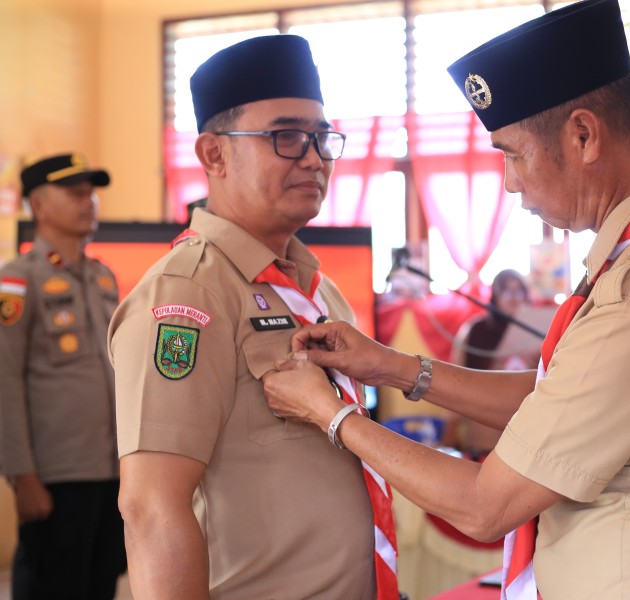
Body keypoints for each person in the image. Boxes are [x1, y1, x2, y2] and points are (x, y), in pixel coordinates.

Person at [262, 1, 630, 598]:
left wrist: (332, 415)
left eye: (512, 154)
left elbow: (485, 507)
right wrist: (390, 366)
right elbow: (559, 400)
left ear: (583, 135)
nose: (511, 182)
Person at [108, 35, 397, 599]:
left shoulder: (317, 288)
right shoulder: (187, 295)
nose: (313, 157)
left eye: (321, 138)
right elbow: (151, 508)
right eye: (285, 137)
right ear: (214, 155)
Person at [0, 153, 126, 599]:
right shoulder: (17, 282)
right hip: (56, 476)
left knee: (100, 583)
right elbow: (5, 382)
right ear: (38, 204)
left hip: (111, 470)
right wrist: (22, 475)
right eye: (74, 193)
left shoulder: (102, 278)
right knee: (53, 586)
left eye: (90, 192)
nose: (88, 202)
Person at [445, 269, 532, 456]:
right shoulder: (475, 330)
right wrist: (451, 427)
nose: (513, 297)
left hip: (528, 429)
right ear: (495, 296)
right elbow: (457, 380)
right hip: (486, 430)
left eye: (518, 290)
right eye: (506, 290)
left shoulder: (538, 330)